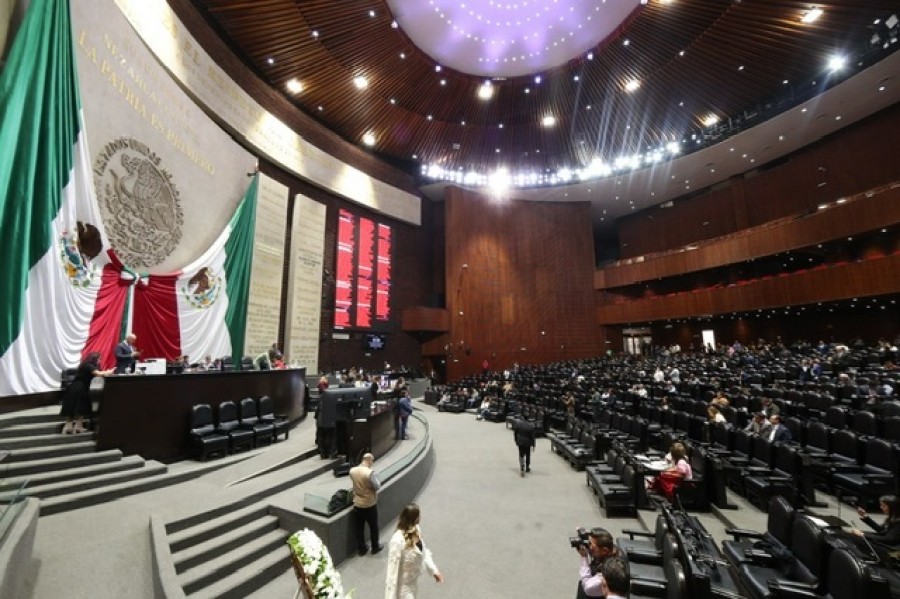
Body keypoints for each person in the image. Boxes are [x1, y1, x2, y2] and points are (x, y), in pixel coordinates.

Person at [384, 503, 443, 598]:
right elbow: (392, 572)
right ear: (413, 518)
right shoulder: (397, 541)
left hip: (413, 583)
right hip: (402, 588)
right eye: (418, 515)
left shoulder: (416, 530)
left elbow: (423, 552)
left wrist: (434, 571)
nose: (421, 517)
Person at [60, 352, 113, 433]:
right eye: (99, 359)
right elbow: (97, 373)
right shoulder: (88, 365)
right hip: (80, 387)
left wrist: (104, 371)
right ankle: (72, 427)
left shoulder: (85, 364)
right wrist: (109, 372)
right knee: (79, 406)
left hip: (75, 387)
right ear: (95, 359)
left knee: (77, 406)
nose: (99, 361)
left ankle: (74, 427)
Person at [349, 452, 382, 556]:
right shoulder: (369, 473)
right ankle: (375, 547)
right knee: (373, 527)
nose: (372, 463)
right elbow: (377, 486)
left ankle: (362, 549)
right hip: (369, 504)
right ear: (368, 460)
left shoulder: (352, 471)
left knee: (359, 528)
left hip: (357, 503)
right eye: (372, 460)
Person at [575, 527, 620, 598]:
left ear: (604, 550)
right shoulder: (611, 549)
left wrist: (584, 557)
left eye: (592, 546)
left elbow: (587, 587)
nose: (589, 548)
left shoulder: (609, 570)